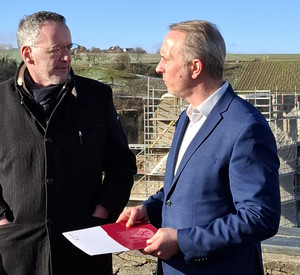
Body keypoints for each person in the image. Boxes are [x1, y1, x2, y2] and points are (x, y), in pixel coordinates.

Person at [117, 20, 281, 275]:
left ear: (194, 67)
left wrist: (183, 241)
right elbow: (183, 187)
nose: (158, 68)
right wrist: (149, 209)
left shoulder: (246, 127)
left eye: (165, 59)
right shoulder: (187, 117)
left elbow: (260, 216)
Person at [0, 11, 137, 275]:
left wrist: (102, 211)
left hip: (84, 252)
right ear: (28, 54)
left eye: (68, 47)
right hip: (17, 254)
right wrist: (2, 219)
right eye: (56, 49)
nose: (67, 57)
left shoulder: (96, 98)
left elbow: (121, 164)